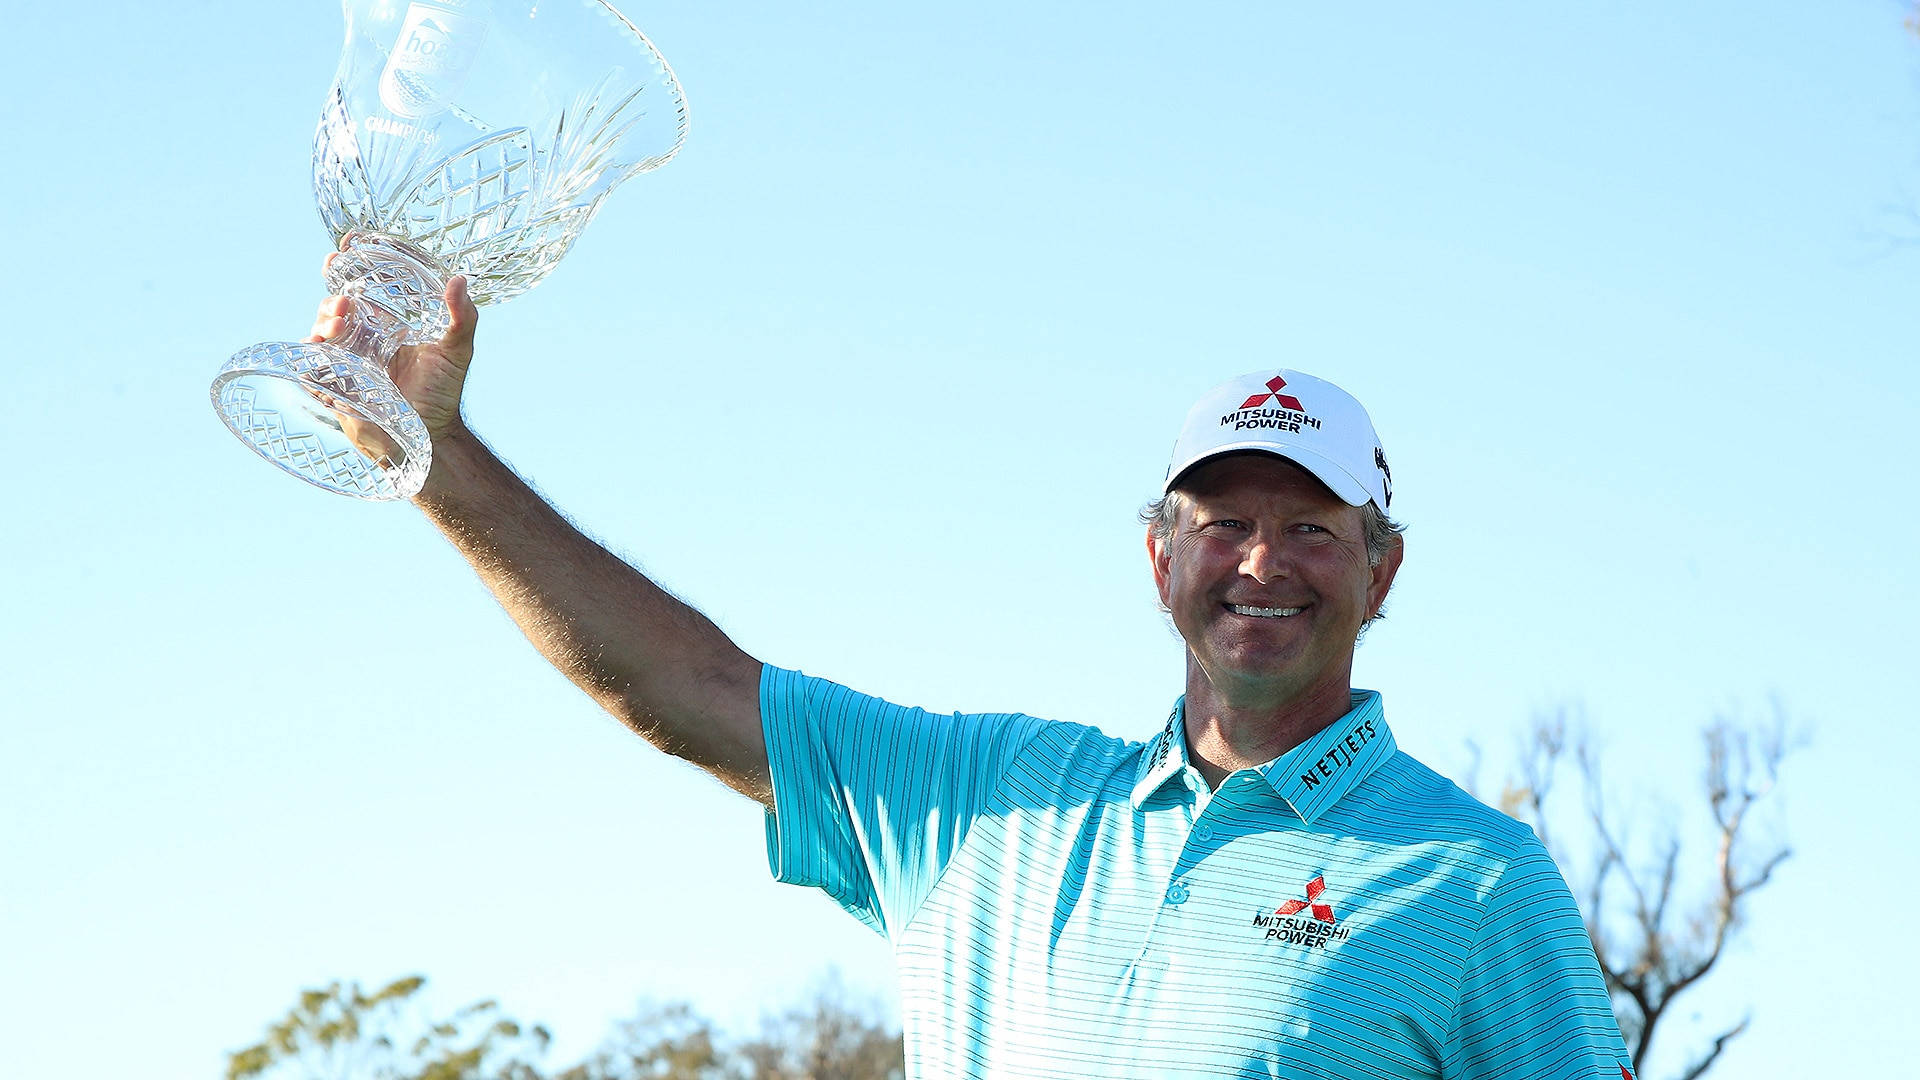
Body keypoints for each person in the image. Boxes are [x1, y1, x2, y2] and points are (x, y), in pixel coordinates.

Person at [308, 272, 1635, 1079]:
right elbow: (685, 690)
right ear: (1159, 561)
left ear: (1382, 574)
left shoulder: (1476, 880)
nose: (1261, 562)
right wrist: (438, 454)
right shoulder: (994, 800)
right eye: (1222, 522)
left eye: (1311, 528)